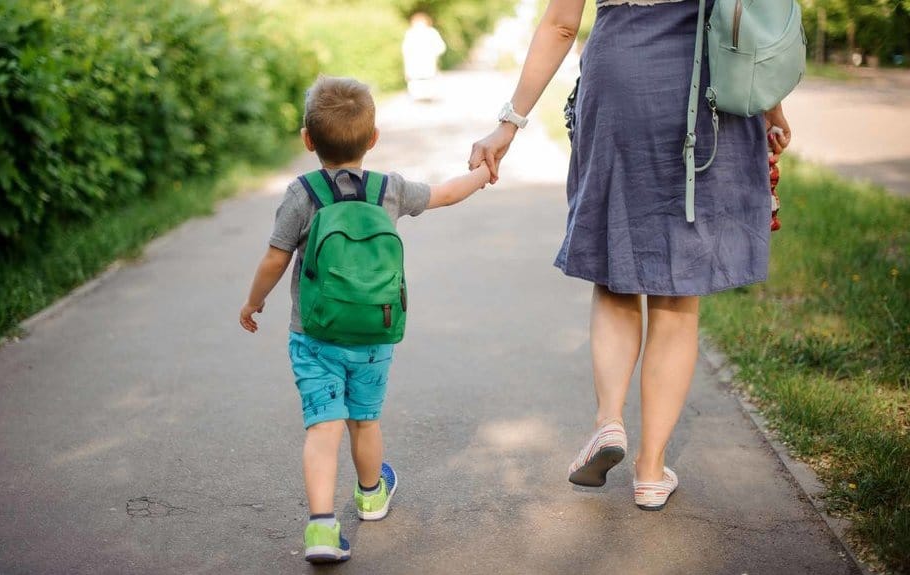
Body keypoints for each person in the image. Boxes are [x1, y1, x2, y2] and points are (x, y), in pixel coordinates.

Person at [469, 0, 792, 511]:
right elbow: (750, 15)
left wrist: (508, 124)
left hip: (620, 75)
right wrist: (770, 104)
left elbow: (560, 23)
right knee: (678, 291)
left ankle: (609, 421)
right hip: (706, 82)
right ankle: (649, 471)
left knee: (618, 270)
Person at [239, 75, 490, 563]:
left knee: (323, 428)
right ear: (373, 139)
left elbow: (275, 258)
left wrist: (254, 302)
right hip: (375, 334)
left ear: (307, 140)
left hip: (314, 335)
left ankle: (321, 530)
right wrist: (483, 172)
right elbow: (446, 194)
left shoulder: (302, 192)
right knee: (365, 421)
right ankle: (372, 495)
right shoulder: (388, 190)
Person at [402, 12, 447, 101]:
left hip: (429, 63)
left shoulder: (432, 32)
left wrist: (434, 54)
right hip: (413, 64)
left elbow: (441, 47)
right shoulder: (410, 33)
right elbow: (405, 50)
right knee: (416, 85)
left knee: (428, 83)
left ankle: (427, 98)